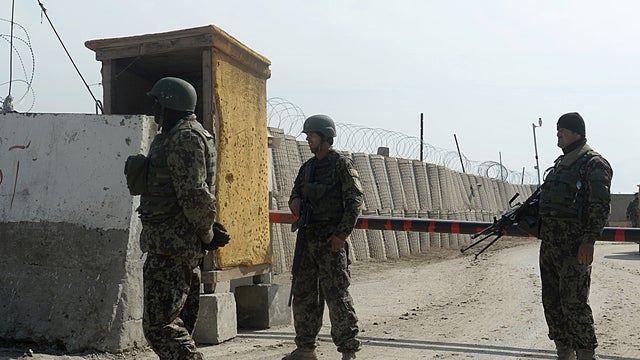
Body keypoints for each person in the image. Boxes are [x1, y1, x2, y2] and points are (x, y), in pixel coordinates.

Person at [125, 77, 230, 360]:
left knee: (160, 327)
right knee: (177, 325)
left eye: (158, 102)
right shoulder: (174, 136)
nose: (155, 108)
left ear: (170, 103)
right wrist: (206, 232)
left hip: (173, 247)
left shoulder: (185, 138)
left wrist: (207, 233)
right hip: (172, 243)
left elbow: (194, 193)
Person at [283, 114, 364, 360]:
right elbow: (295, 194)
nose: (308, 139)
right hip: (308, 239)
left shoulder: (341, 164)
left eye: (312, 135)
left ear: (325, 137)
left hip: (331, 242)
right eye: (307, 136)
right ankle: (306, 348)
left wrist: (341, 235)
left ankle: (348, 350)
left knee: (337, 297)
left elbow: (354, 201)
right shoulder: (307, 168)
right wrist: (295, 202)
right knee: (305, 295)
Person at [537, 112, 612, 360]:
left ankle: (586, 355)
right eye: (558, 129)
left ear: (576, 132)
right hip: (550, 246)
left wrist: (589, 239)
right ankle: (564, 352)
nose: (558, 133)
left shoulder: (594, 164)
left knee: (574, 305)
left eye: (562, 129)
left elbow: (599, 206)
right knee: (552, 303)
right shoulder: (561, 164)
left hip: (574, 248)